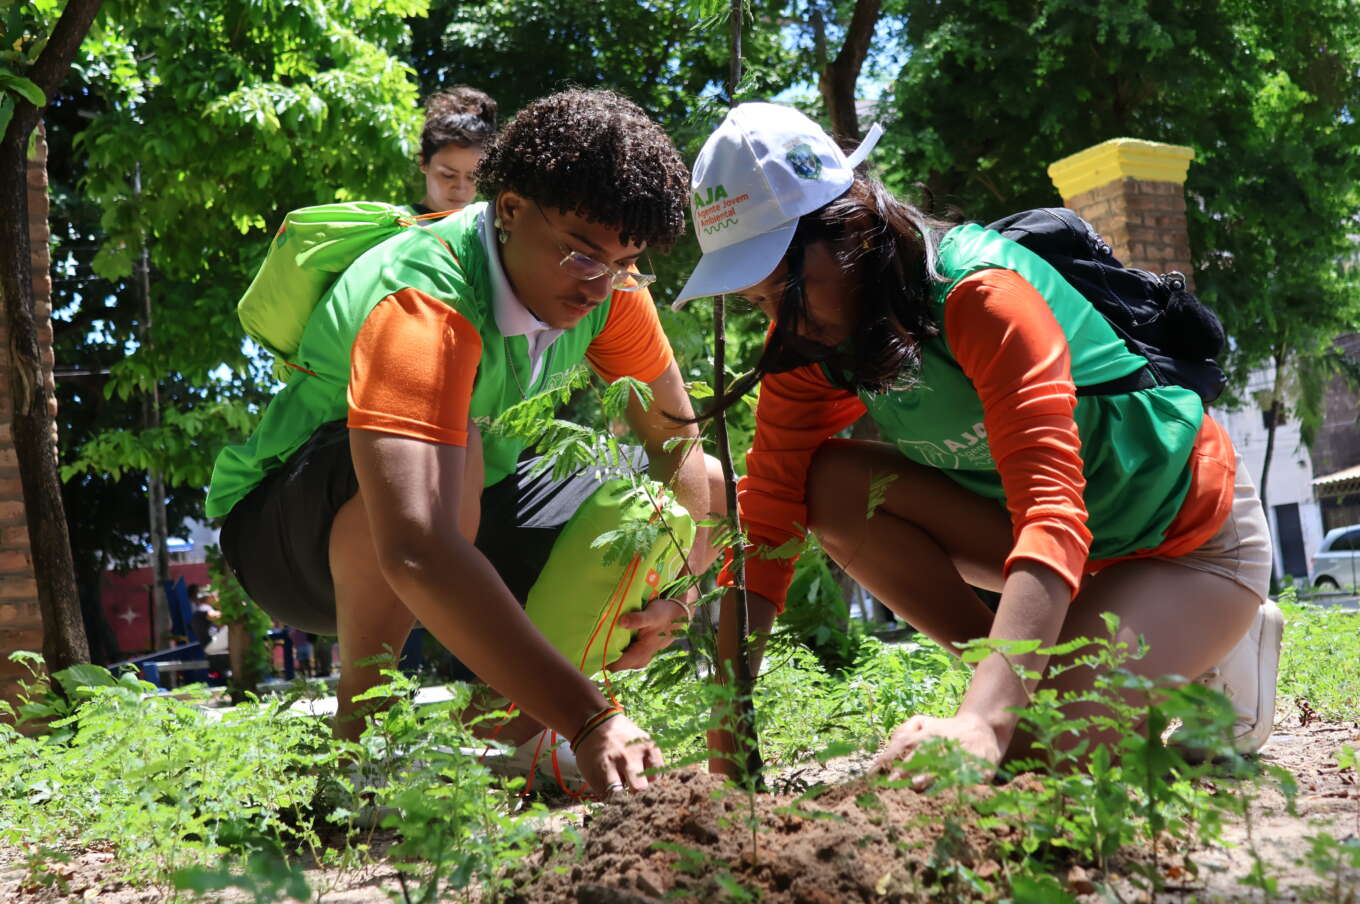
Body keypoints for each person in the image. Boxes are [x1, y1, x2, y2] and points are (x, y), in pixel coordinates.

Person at [674, 102, 1281, 774]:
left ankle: (1205, 645)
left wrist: (984, 726)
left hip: (1184, 545)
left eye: (788, 292)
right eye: (759, 302)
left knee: (1026, 752)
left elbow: (1053, 511)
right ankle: (1019, 686)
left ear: (851, 234)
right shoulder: (808, 345)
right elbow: (766, 527)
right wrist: (728, 735)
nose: (783, 322)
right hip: (1059, 552)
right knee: (831, 486)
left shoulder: (981, 297)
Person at [207, 89, 721, 794]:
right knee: (458, 457)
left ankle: (498, 737)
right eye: (582, 256)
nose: (601, 287)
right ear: (509, 210)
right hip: (291, 542)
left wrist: (680, 590)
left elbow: (677, 444)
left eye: (626, 262)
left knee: (698, 491)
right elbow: (416, 544)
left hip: (466, 508)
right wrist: (590, 717)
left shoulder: (609, 288)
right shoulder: (424, 297)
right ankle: (362, 749)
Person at [413, 86, 498, 216]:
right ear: (423, 161)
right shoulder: (389, 226)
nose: (460, 188)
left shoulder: (487, 231)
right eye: (448, 175)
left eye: (472, 177)